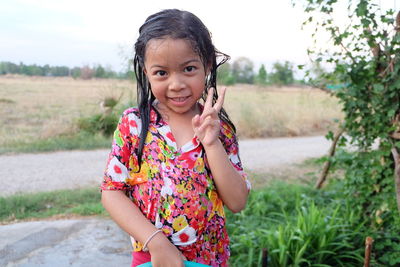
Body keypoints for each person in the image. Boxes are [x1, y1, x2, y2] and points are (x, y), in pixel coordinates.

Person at [101, 9, 251, 267]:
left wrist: (212, 143)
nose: (176, 84)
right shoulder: (134, 124)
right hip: (152, 257)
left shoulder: (218, 128)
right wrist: (157, 243)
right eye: (162, 73)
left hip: (209, 259)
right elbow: (112, 192)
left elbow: (237, 201)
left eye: (189, 68)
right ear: (146, 71)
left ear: (207, 66)